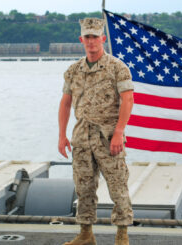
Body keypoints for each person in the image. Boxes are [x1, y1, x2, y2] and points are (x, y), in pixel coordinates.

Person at [58, 17, 134, 245]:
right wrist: (62, 135)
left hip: (108, 137)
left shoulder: (117, 67)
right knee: (83, 187)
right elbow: (65, 103)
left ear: (103, 39)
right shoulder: (73, 70)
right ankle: (85, 233)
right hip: (81, 137)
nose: (91, 41)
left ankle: (122, 235)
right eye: (87, 37)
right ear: (82, 39)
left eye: (95, 37)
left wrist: (119, 132)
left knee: (117, 185)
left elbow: (128, 100)